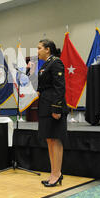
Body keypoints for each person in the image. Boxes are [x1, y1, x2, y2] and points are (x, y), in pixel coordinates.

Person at [37, 39, 68, 187]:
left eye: (39, 48)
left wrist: (56, 108)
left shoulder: (56, 62)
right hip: (45, 105)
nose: (37, 51)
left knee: (55, 139)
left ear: (48, 49)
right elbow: (44, 85)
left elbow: (60, 87)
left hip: (53, 106)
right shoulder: (46, 64)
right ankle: (53, 173)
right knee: (49, 139)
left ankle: (57, 174)